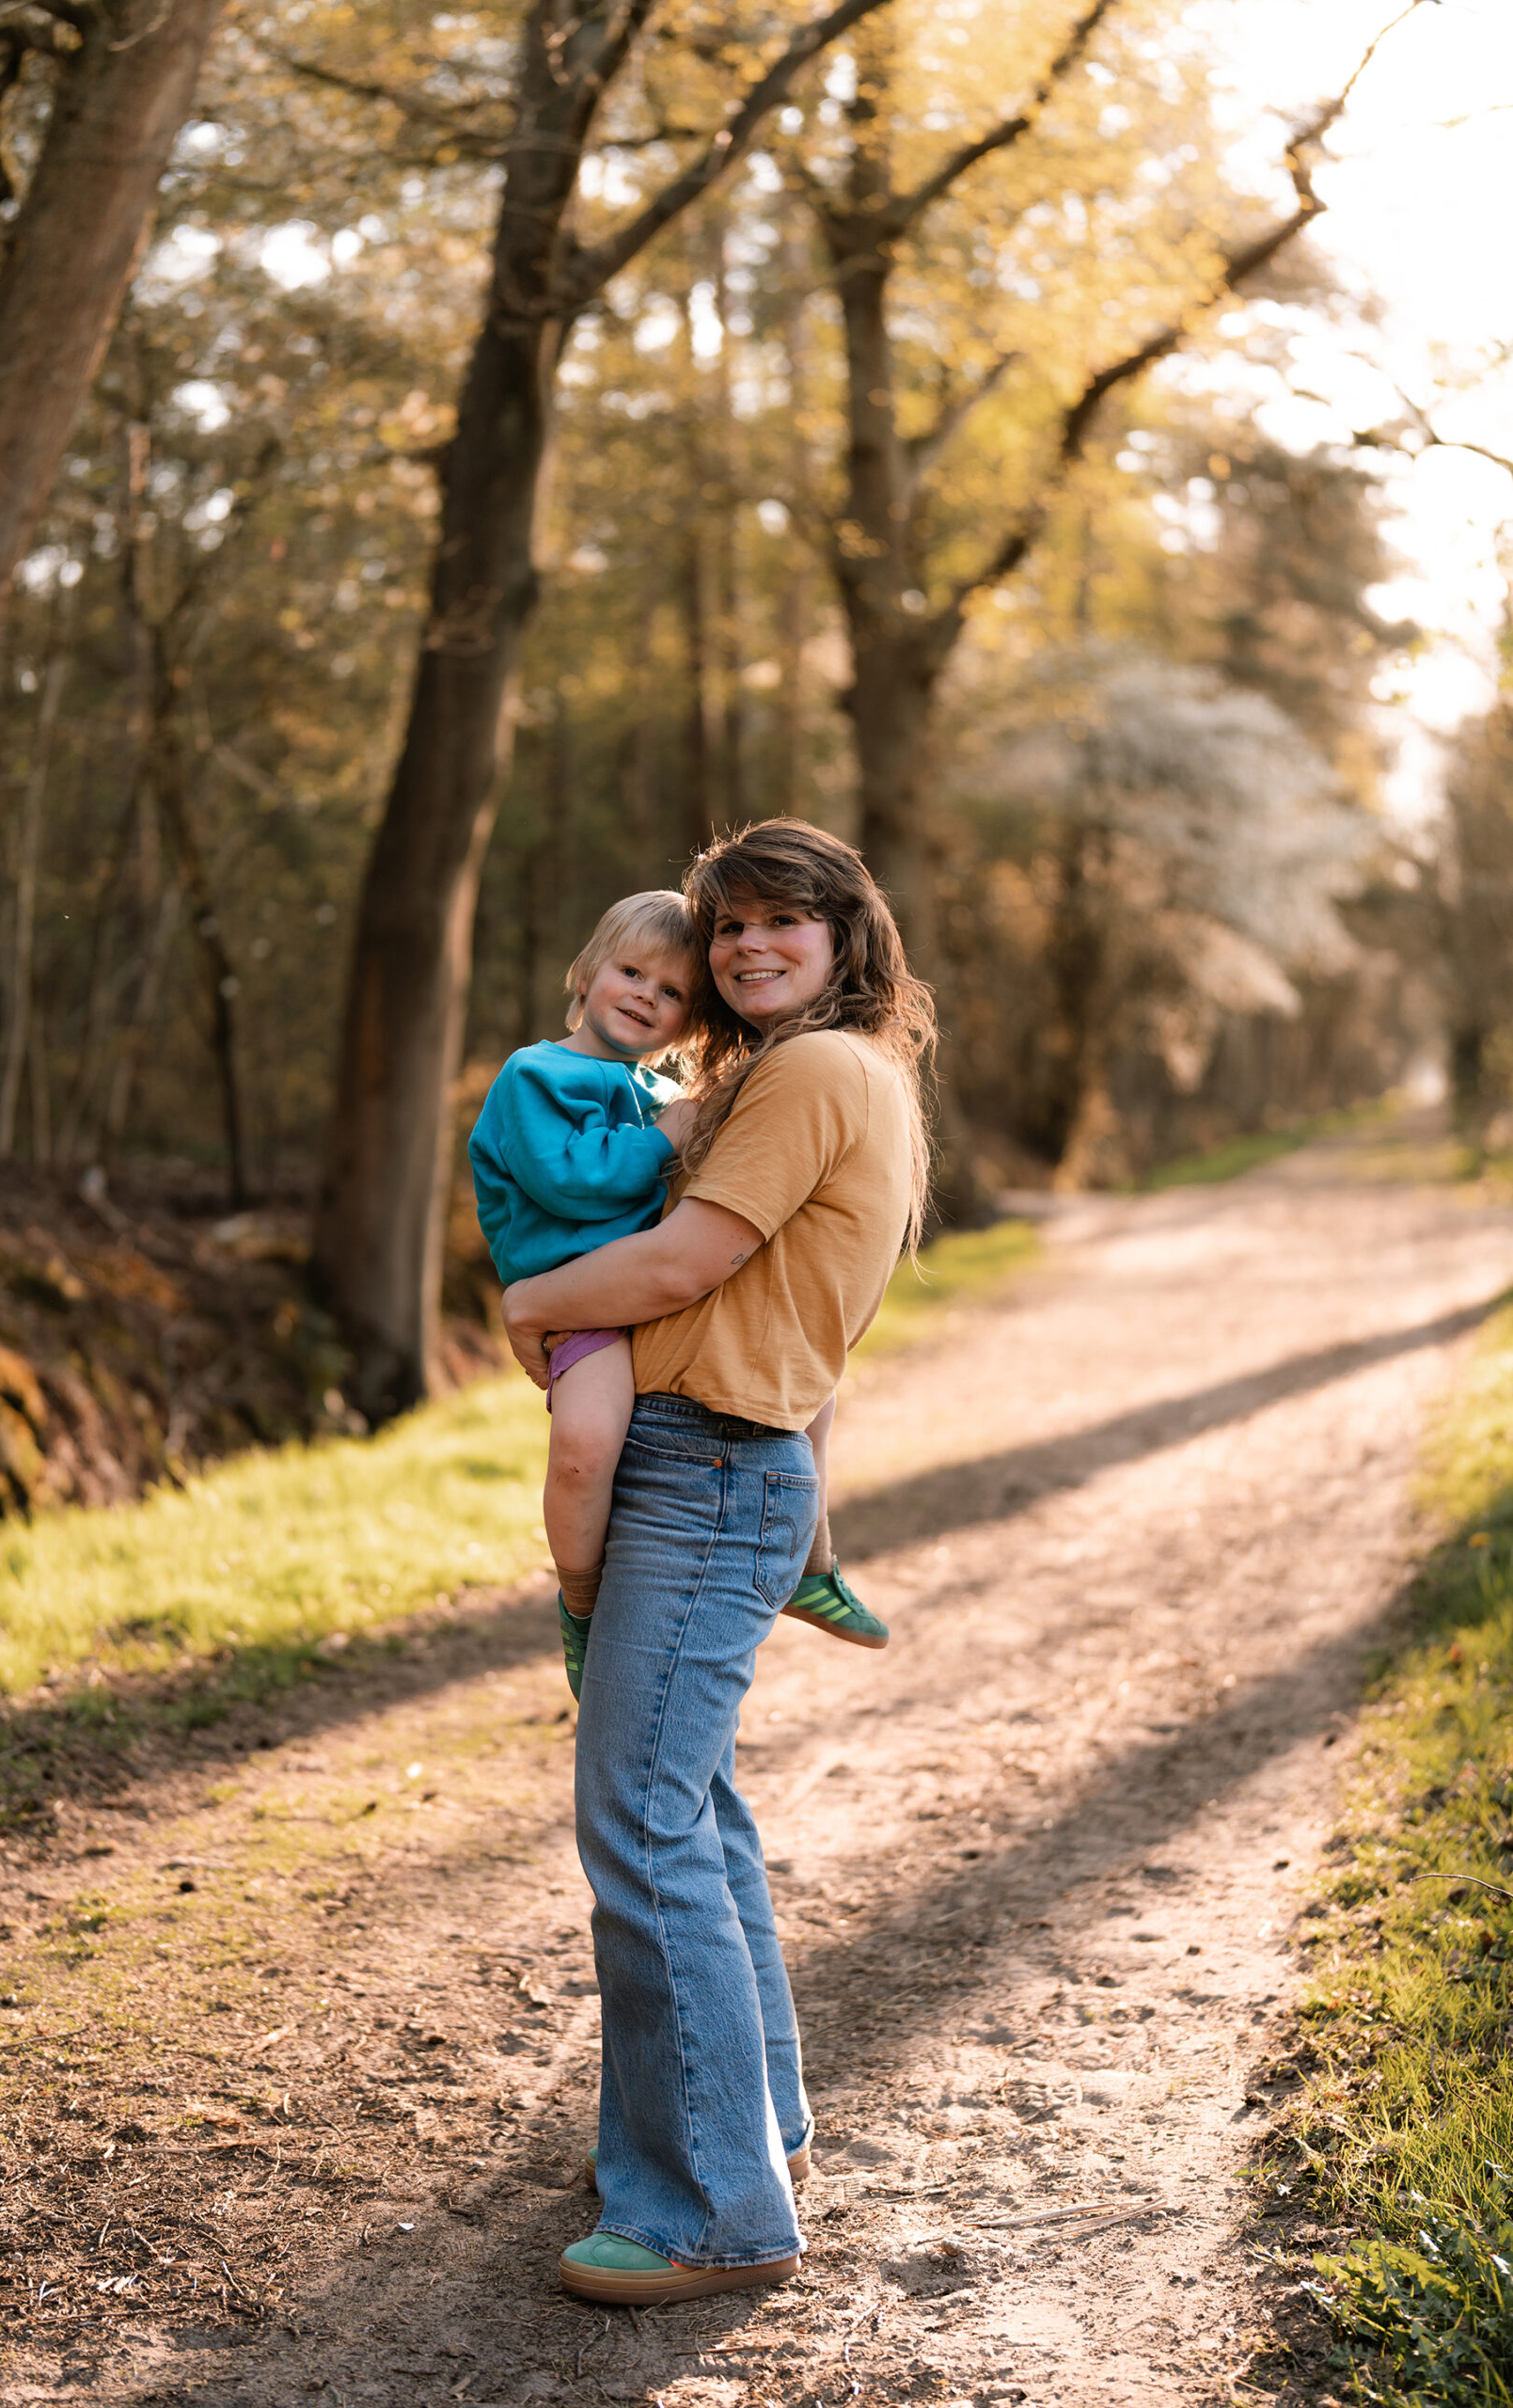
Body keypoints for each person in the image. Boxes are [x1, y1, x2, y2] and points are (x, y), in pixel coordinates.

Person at [499, 819, 934, 2307]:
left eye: (778, 921)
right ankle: (748, 2130)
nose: (746, 946)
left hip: (705, 1466)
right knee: (688, 1808)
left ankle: (706, 2211)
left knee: (639, 1822)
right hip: (724, 1463)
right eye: (726, 925)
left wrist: (530, 1304)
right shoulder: (838, 1074)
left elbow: (686, 1262)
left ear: (843, 934)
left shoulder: (811, 1074)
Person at [468, 890, 890, 1703]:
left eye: (671, 993)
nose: (644, 997)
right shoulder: (537, 1075)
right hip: (577, 1296)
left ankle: (811, 1561)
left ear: (690, 1023)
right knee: (585, 1444)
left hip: (648, 1291)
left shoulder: (660, 1092)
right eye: (630, 973)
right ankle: (580, 1605)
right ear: (586, 971)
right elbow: (570, 1183)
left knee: (809, 1383)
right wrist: (667, 1137)